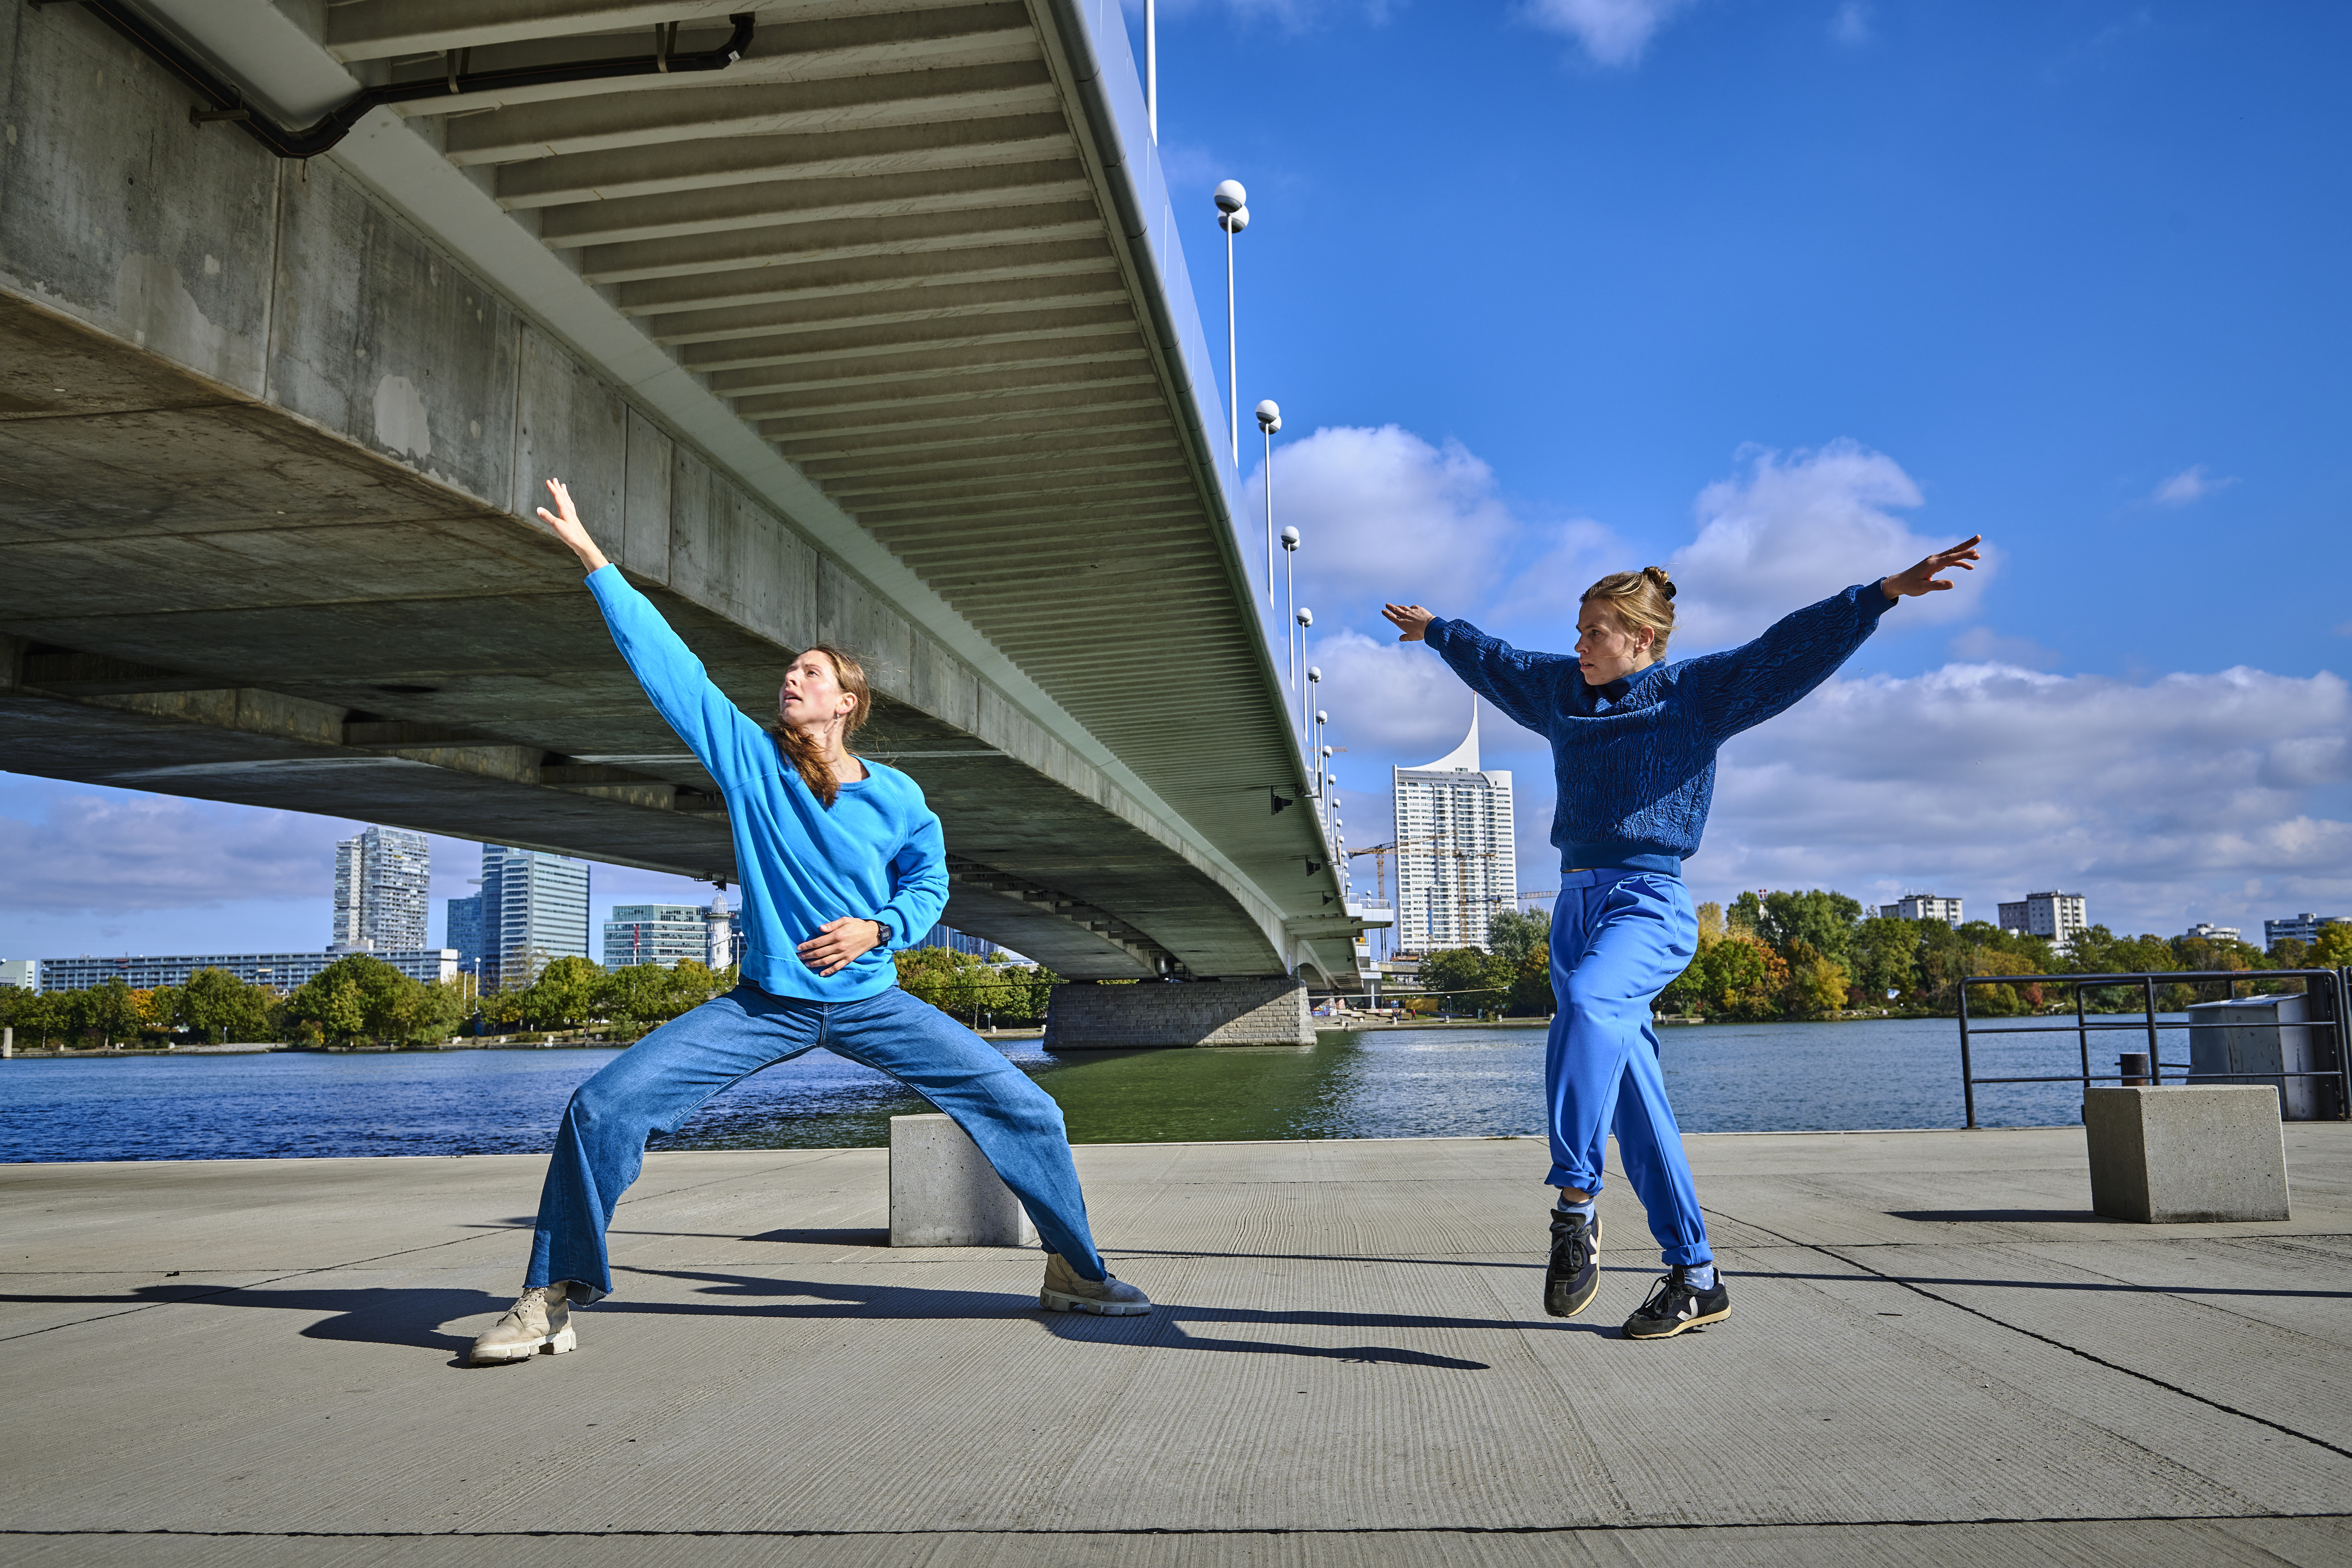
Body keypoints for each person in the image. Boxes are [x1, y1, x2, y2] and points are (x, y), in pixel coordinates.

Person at [468, 479, 1151, 1365]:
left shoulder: (898, 797)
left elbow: (930, 882)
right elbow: (674, 670)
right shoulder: (755, 766)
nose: (791, 679)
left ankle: (1076, 1271)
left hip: (873, 1002)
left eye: (810, 673)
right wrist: (596, 561)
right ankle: (549, 1297)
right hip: (766, 1004)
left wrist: (881, 928)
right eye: (789, 672)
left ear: (845, 703)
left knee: (1027, 1107)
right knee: (603, 1105)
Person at [1382, 538, 1981, 1339]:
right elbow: (1501, 662)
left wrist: (1879, 594)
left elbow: (1783, 652)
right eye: (1578, 629)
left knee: (1590, 1005)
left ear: (1642, 638)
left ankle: (1574, 1208)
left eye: (1595, 631)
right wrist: (1438, 632)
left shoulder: (1695, 695)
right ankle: (1697, 1278)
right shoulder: (1562, 693)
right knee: (1637, 1108)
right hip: (1574, 910)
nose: (1579, 644)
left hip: (1647, 904)